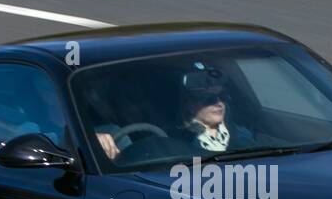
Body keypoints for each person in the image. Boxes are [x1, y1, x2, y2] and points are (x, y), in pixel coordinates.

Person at [95, 66, 250, 160]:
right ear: (189, 105)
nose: (218, 103)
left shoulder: (236, 130)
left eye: (222, 97)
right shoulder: (173, 139)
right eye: (208, 99)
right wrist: (96, 140)